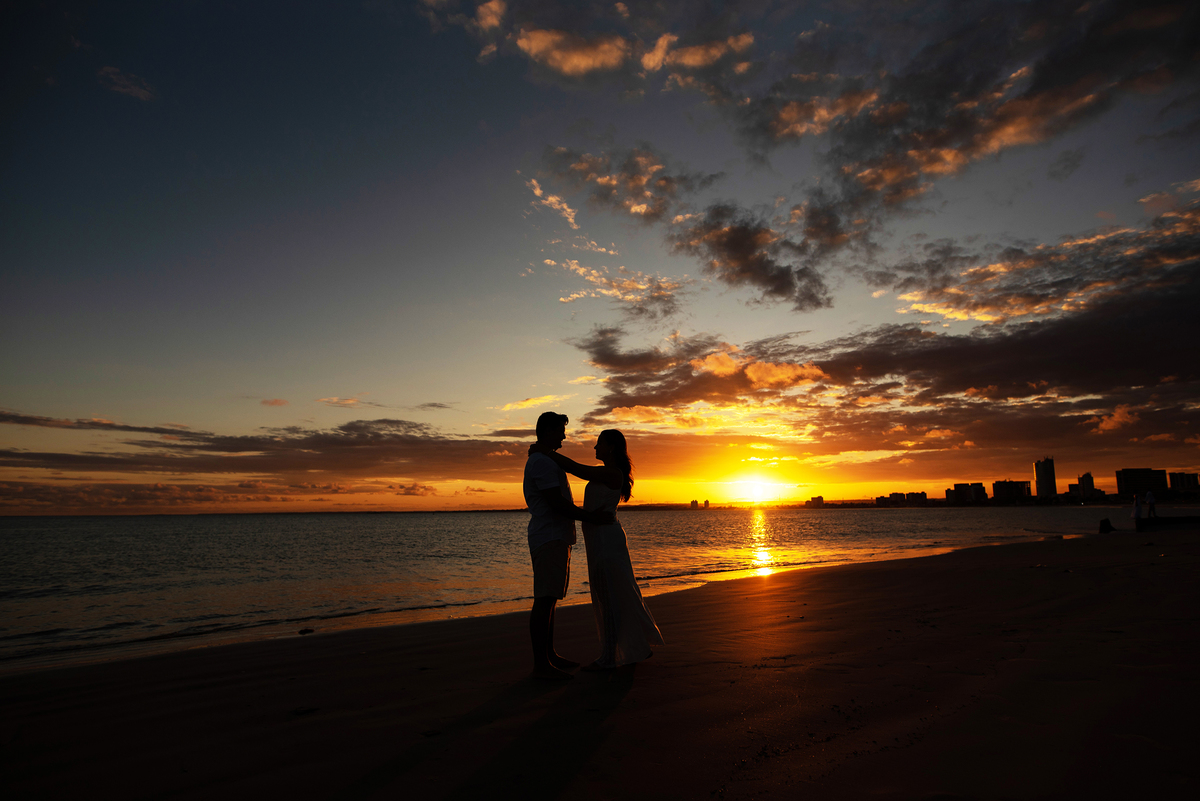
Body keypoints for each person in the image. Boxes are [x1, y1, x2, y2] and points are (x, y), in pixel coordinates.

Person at [531, 428, 663, 670]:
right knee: (609, 593)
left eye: (599, 444)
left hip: (606, 538)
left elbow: (578, 470)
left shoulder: (613, 474)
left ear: (611, 447)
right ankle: (624, 649)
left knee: (609, 594)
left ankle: (611, 655)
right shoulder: (606, 473)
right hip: (598, 537)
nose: (595, 448)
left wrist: (546, 452)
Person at [523, 412, 613, 680]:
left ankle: (549, 655)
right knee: (544, 599)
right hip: (549, 537)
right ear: (548, 430)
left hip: (555, 536)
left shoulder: (546, 460)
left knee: (550, 598)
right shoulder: (542, 463)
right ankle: (542, 665)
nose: (564, 435)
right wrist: (591, 517)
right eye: (561, 430)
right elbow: (557, 503)